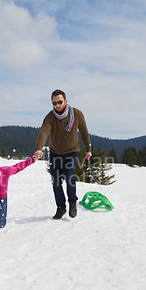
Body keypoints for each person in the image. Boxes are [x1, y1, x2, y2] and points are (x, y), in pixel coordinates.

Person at [33, 89, 92, 220]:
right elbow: (43, 132)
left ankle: (72, 203)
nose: (57, 105)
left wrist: (88, 148)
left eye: (60, 102)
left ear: (66, 101)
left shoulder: (77, 114)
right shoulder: (50, 117)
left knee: (70, 178)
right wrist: (39, 148)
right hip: (55, 153)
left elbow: (84, 131)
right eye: (54, 103)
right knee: (56, 182)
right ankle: (61, 207)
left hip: (72, 152)